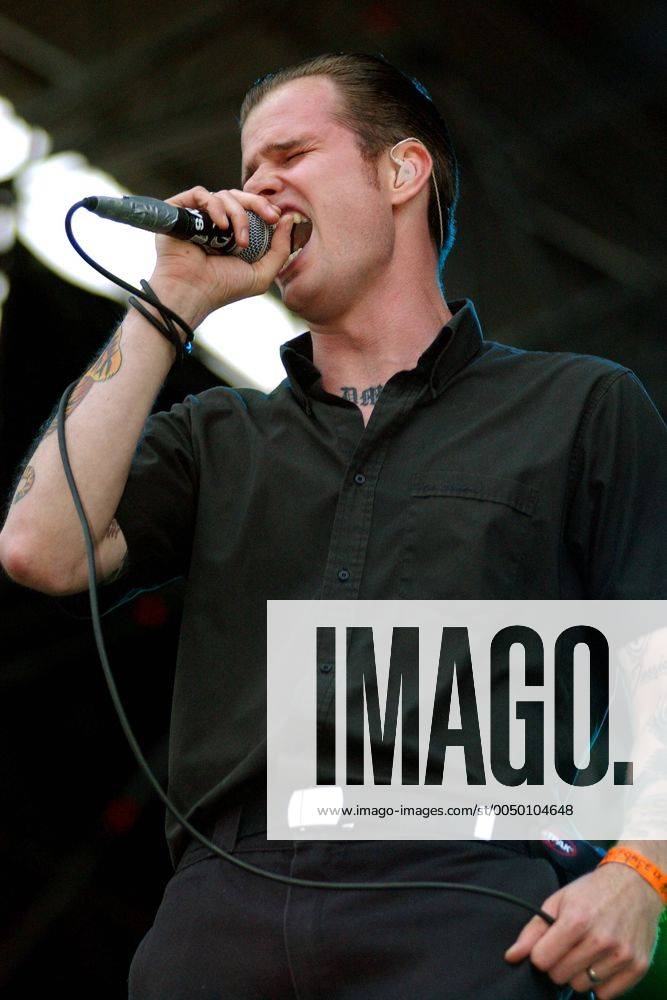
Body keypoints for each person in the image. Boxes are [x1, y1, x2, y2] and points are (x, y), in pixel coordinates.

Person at [1, 53, 665, 1000]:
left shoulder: (579, 407)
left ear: (402, 172)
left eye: (291, 153)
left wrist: (640, 869)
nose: (257, 185)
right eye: (248, 166)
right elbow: (39, 548)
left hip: (464, 892)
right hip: (222, 902)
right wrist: (171, 301)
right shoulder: (216, 435)